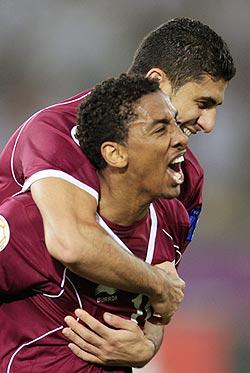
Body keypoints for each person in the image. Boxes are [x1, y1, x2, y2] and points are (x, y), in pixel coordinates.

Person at [0, 17, 235, 367]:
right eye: (202, 103)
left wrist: (149, 344)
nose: (209, 124)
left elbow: (164, 287)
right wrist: (158, 286)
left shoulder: (186, 177)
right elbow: (72, 242)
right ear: (157, 82)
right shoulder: (56, 134)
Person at [0, 74, 189, 372]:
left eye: (176, 124)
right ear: (115, 154)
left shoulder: (171, 220)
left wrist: (148, 346)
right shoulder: (32, 220)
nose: (182, 138)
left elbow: (159, 308)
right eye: (161, 129)